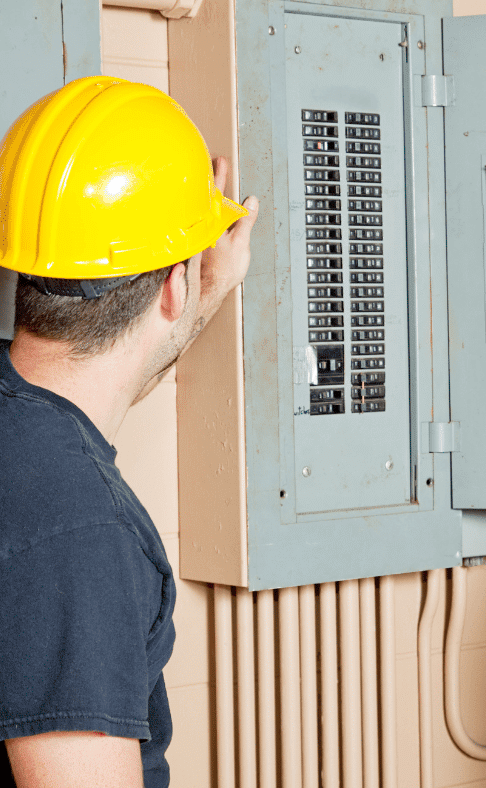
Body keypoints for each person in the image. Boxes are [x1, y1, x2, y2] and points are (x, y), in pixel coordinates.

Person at [0, 76, 258, 787]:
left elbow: (80, 405)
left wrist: (201, 298)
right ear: (170, 286)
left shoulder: (24, 429)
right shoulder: (80, 531)